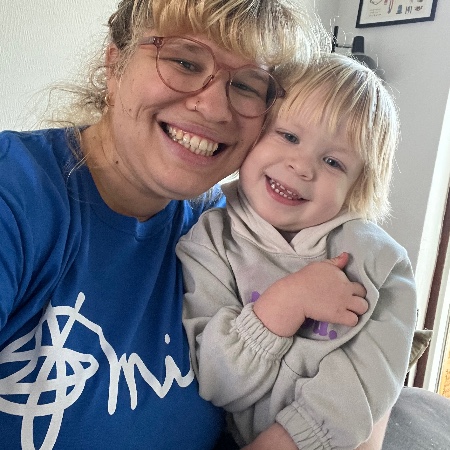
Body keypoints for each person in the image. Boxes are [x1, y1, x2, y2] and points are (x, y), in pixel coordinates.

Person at [0, 1, 338, 449]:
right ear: (115, 65)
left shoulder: (234, 235)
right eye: (184, 62)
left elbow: (353, 390)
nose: (214, 109)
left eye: (247, 85)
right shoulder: (15, 191)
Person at [176, 53, 418, 449]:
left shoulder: (380, 262)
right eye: (288, 136)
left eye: (333, 161)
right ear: (255, 133)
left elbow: (362, 389)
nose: (302, 167)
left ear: (358, 187)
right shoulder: (209, 240)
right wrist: (285, 304)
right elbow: (218, 383)